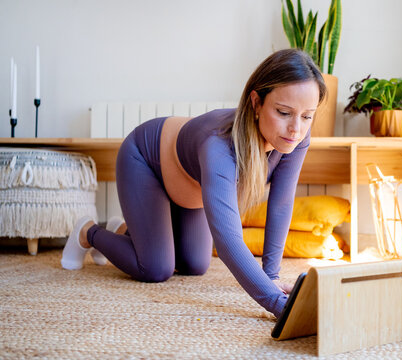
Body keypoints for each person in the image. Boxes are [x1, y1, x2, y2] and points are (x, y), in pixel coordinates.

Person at [61, 49, 327, 318]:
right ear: (256, 103)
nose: (296, 128)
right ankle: (88, 232)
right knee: (155, 268)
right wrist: (276, 304)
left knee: (195, 264)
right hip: (145, 161)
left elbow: (280, 204)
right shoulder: (219, 148)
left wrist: (271, 276)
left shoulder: (295, 138)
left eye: (307, 116)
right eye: (284, 112)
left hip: (188, 188)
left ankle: (127, 231)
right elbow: (228, 241)